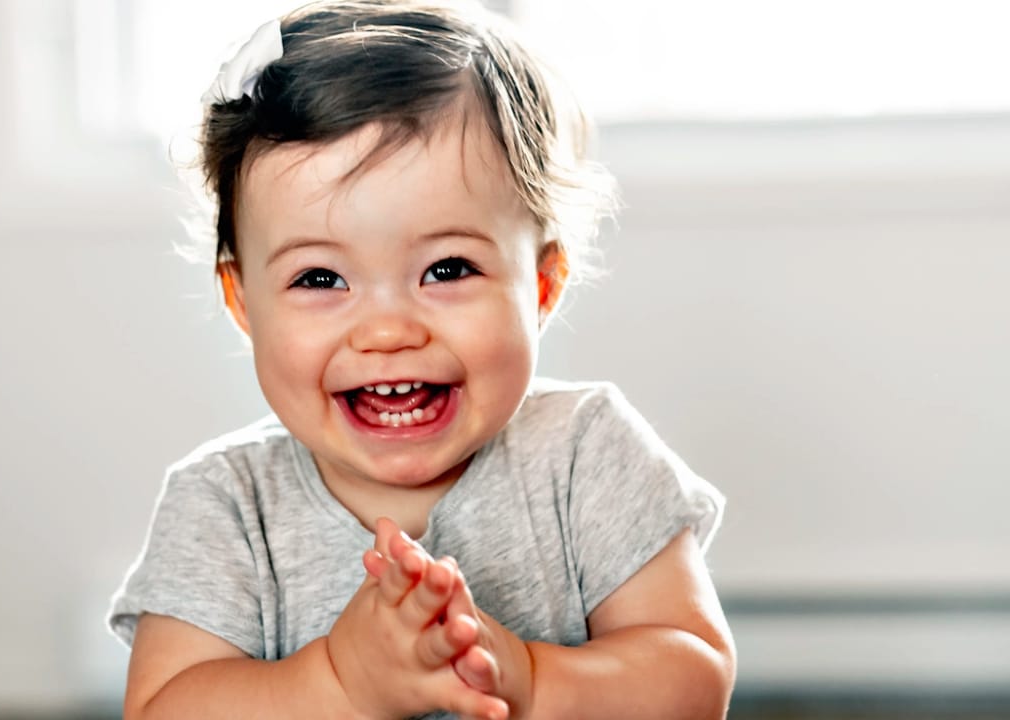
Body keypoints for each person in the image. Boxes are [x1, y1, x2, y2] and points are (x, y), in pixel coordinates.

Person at [107, 1, 735, 718]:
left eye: (446, 269)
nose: (387, 331)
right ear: (243, 302)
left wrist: (527, 673)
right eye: (320, 278)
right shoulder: (226, 504)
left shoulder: (587, 454)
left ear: (541, 284)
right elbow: (165, 708)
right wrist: (340, 682)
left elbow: (694, 676)